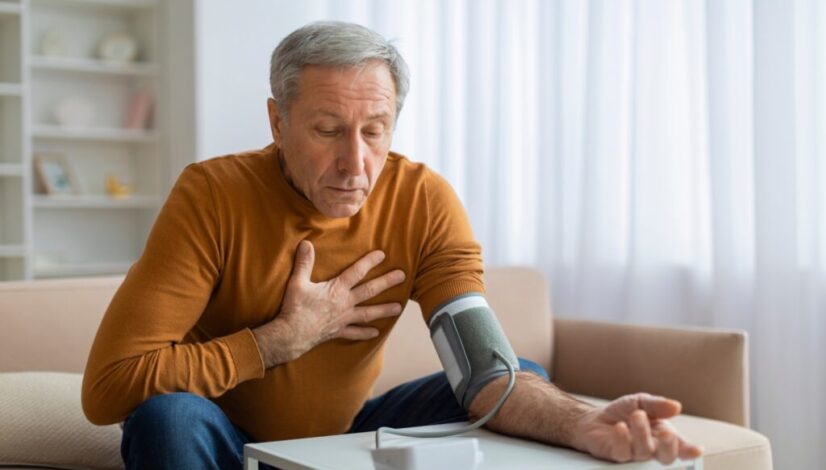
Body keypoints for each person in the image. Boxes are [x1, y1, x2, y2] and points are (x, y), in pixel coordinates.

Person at [81, 21, 703, 469]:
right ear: (277, 122)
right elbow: (109, 386)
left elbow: (484, 373)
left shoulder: (423, 200)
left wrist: (583, 423)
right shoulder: (211, 195)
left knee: (524, 381)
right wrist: (278, 341)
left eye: (375, 131)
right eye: (328, 130)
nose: (357, 162)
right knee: (166, 418)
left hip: (351, 430)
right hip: (219, 428)